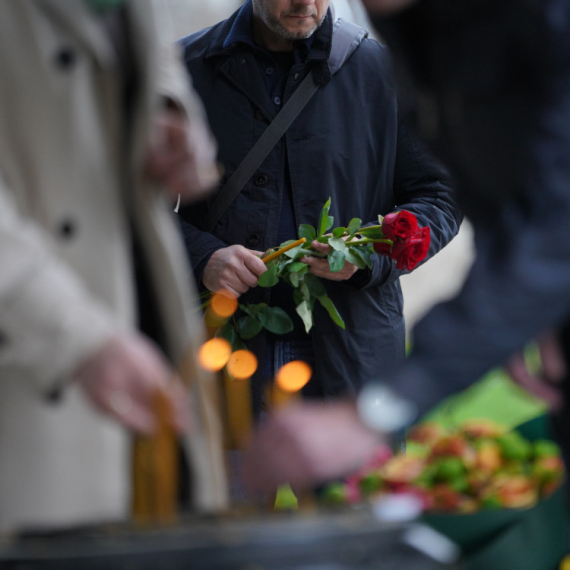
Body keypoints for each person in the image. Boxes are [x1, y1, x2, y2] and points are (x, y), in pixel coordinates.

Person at [240, 0, 570, 496]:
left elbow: (555, 228)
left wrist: (379, 407)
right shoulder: (417, 29)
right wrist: (529, 309)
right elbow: (504, 192)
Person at [0, 0, 227, 534]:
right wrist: (73, 335)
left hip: (145, 319)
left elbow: (147, 47)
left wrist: (171, 112)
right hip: (34, 344)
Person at [176, 0, 462, 418]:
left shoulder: (384, 70)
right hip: (222, 347)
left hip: (353, 349)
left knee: (356, 487)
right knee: (230, 485)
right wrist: (202, 256)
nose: (305, 2)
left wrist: (368, 256)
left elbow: (440, 195)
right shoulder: (184, 69)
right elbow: (132, 204)